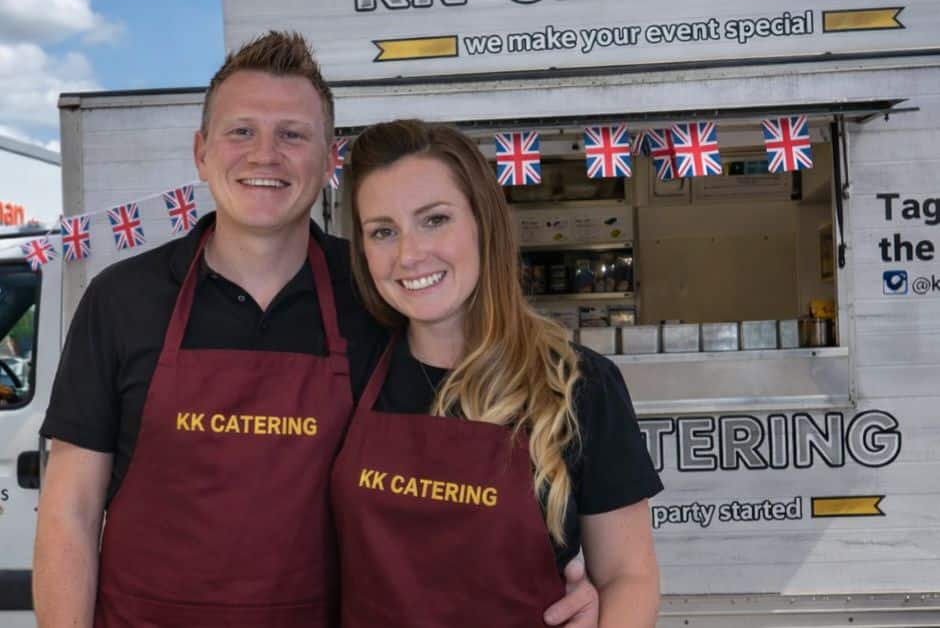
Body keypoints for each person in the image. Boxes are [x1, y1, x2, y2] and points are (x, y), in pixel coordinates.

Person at [32, 32, 600, 628]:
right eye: (241, 131)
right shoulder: (123, 299)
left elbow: (447, 490)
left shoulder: (380, 299)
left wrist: (548, 581)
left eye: (292, 135)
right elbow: (70, 508)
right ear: (201, 151)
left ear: (329, 159)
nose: (264, 155)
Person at [333, 119, 664, 627]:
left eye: (434, 219)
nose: (409, 254)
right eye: (383, 231)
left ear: (483, 222)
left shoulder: (580, 385)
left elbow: (627, 574)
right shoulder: (345, 377)